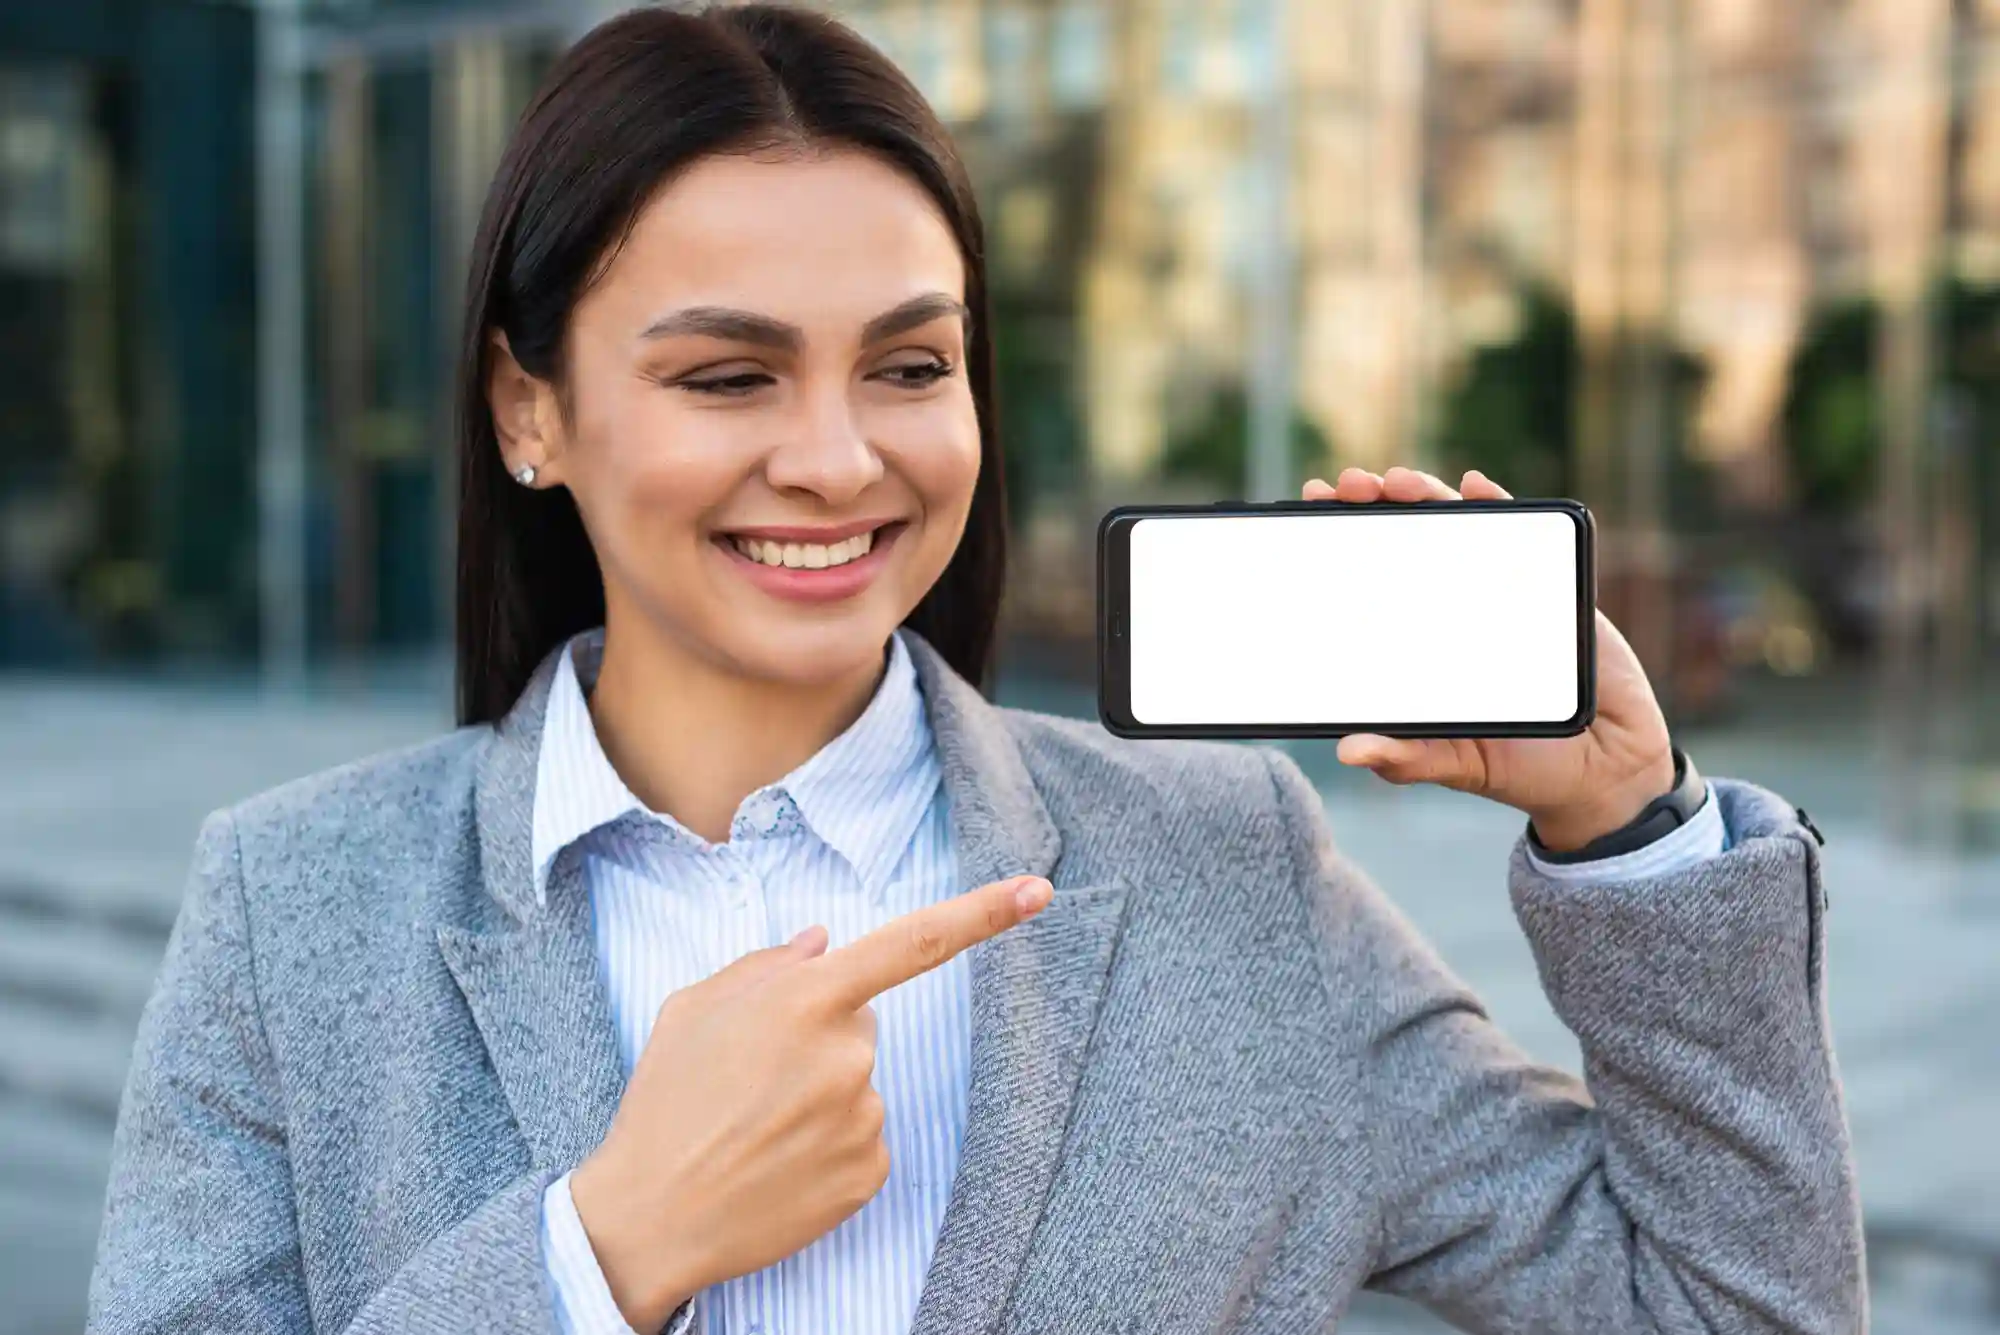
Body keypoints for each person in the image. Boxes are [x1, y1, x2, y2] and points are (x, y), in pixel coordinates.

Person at [87, 6, 1864, 1334]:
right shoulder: (290, 904)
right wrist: (599, 1249)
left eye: (910, 365)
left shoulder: (1222, 864)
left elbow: (1731, 1305)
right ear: (528, 407)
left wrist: (1632, 835)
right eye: (729, 377)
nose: (842, 458)